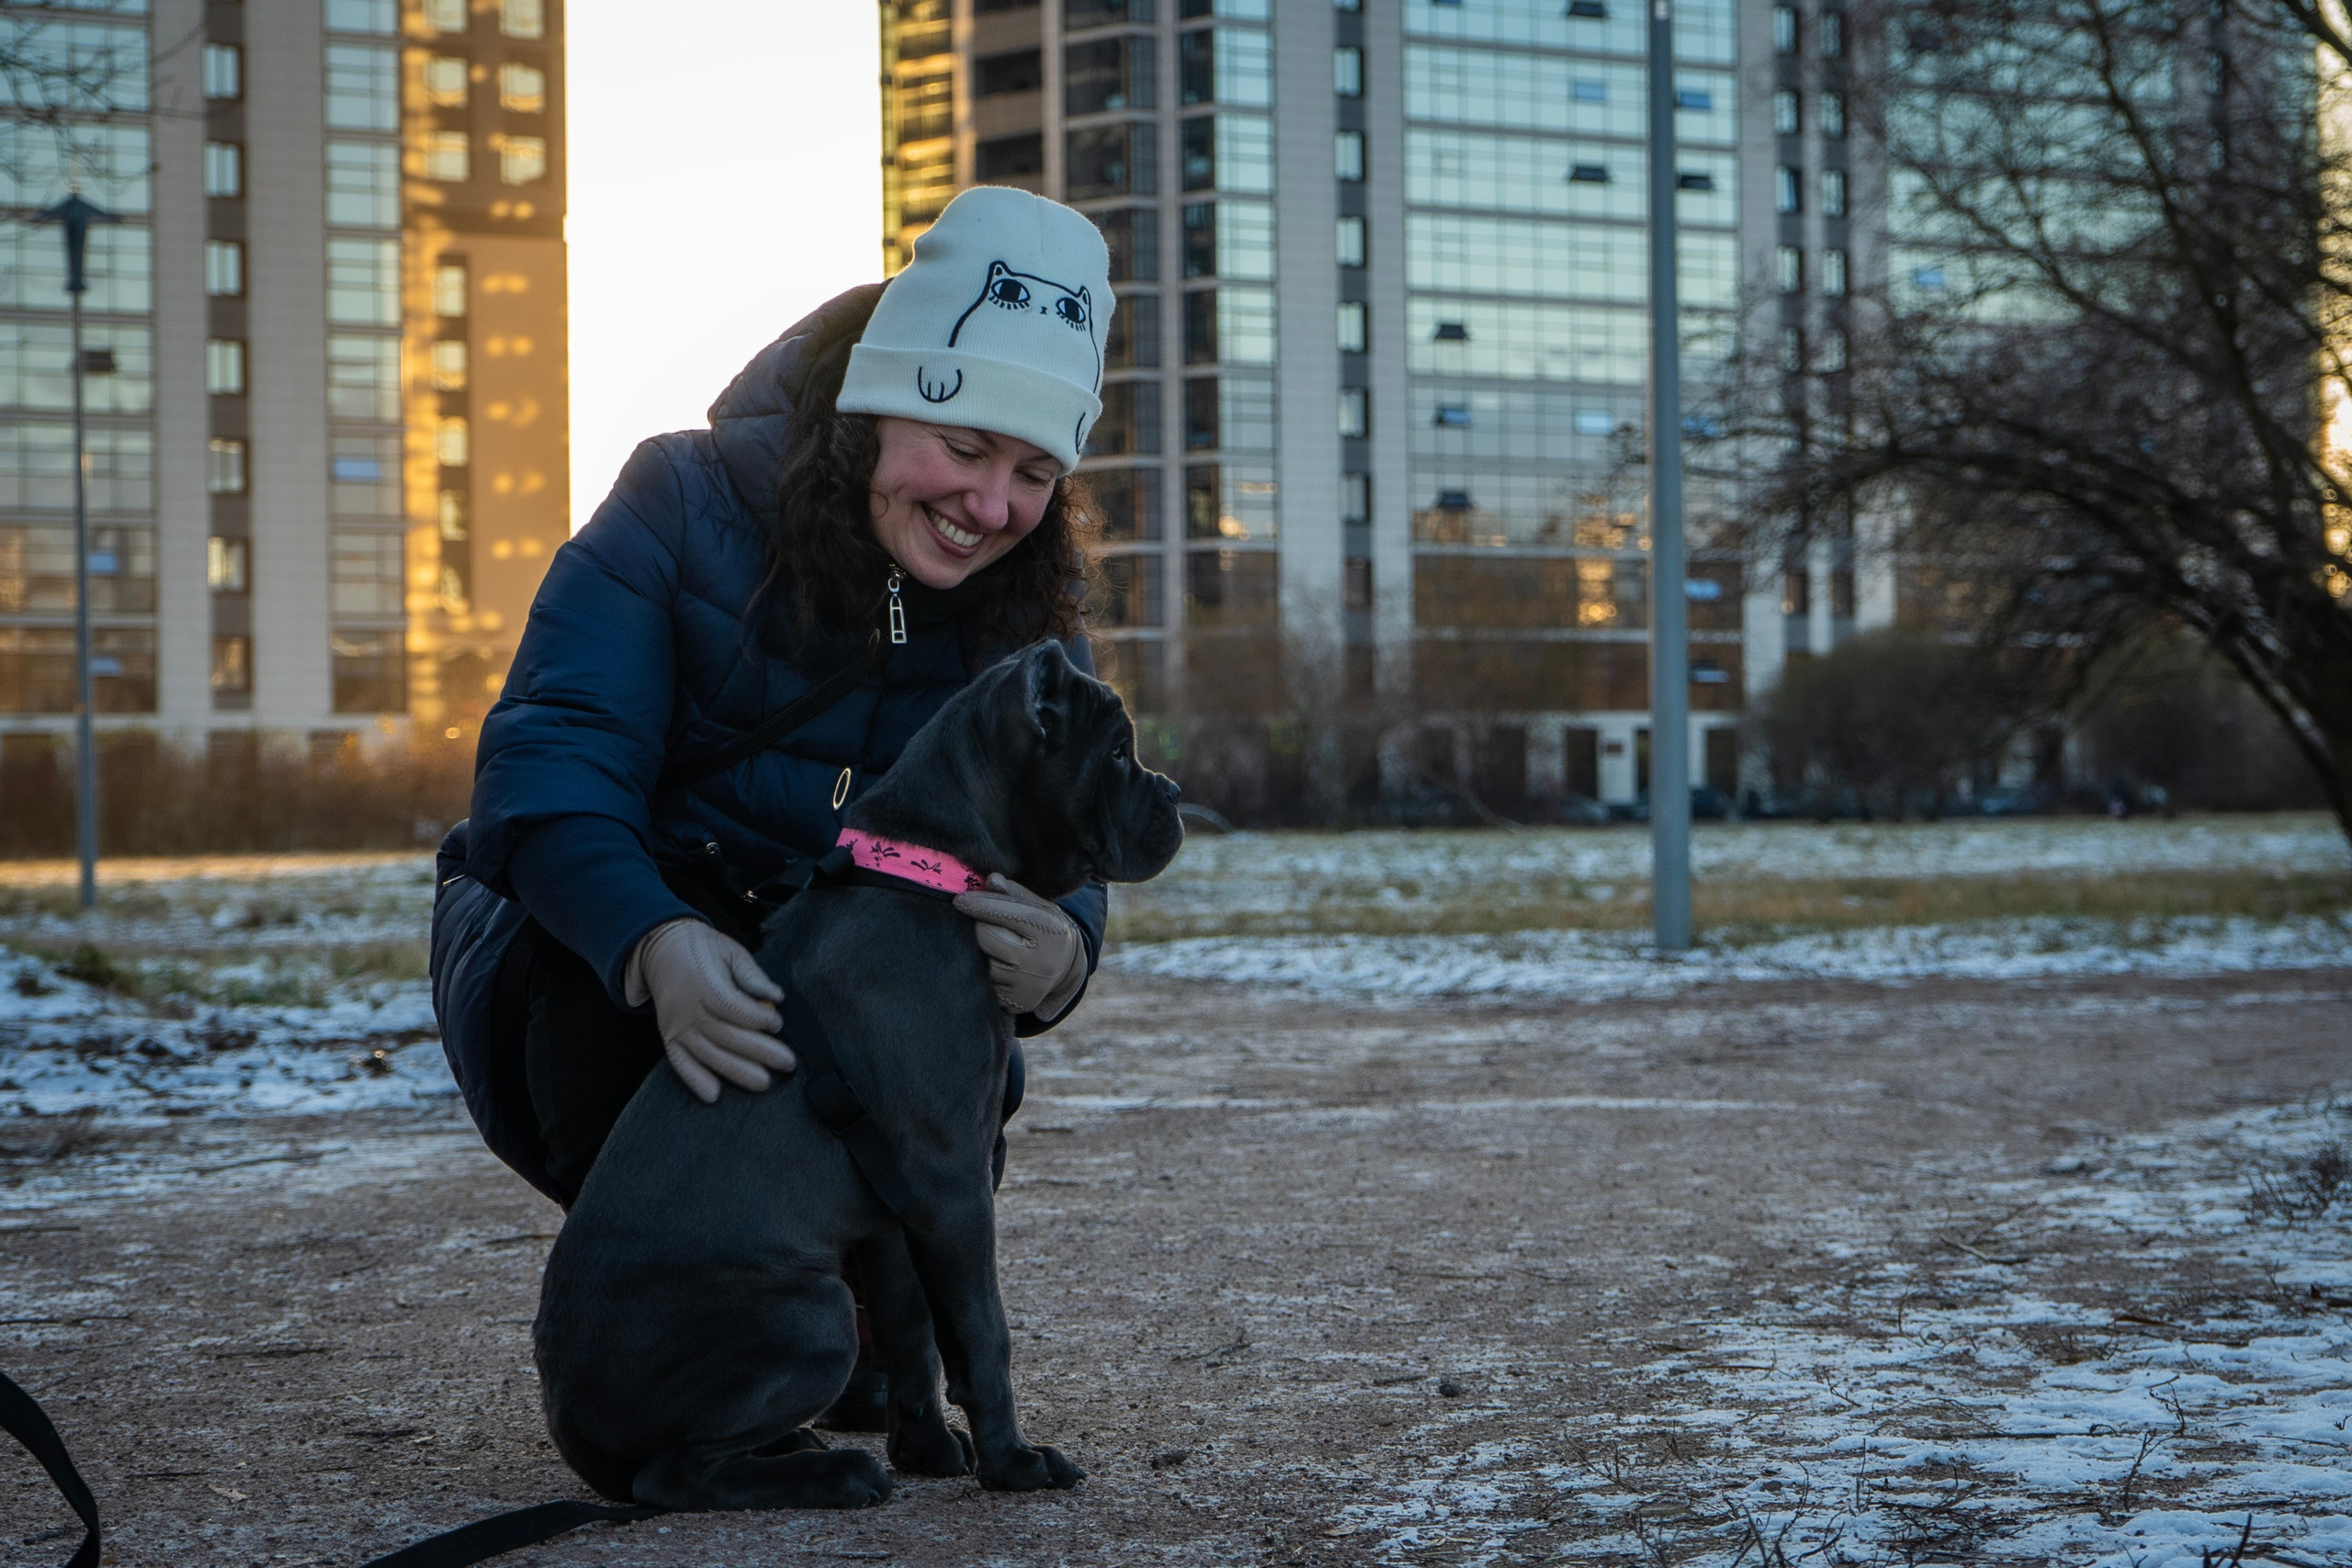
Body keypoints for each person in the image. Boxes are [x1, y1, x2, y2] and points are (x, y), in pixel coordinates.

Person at [452, 186, 1116, 1422]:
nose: (990, 509)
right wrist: (650, 940)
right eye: (965, 449)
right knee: (628, 1023)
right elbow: (550, 764)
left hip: (836, 959)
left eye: (1033, 473)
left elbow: (1064, 822)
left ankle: (840, 1306)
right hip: (591, 952)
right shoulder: (678, 499)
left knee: (870, 1356)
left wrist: (1066, 944)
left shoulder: (1027, 608)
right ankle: (679, 1302)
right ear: (879, 406)